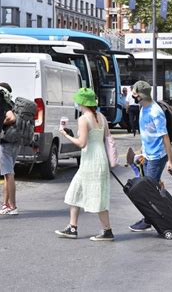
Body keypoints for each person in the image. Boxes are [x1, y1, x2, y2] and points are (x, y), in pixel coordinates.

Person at [55, 88, 114, 241]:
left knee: (92, 194)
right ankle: (73, 227)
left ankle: (106, 231)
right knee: (78, 191)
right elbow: (106, 137)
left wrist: (66, 134)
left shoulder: (83, 119)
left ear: (82, 102)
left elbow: (82, 143)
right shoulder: (101, 117)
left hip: (90, 160)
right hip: (100, 158)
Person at [128, 80, 172, 232]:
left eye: (135, 93)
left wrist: (170, 161)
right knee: (156, 186)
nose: (133, 96)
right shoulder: (143, 108)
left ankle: (148, 220)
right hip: (148, 155)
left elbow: (165, 137)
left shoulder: (156, 112)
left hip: (157, 156)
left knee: (147, 191)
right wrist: (141, 152)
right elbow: (147, 134)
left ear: (141, 95)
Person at [0, 82, 20, 216]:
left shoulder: (6, 104)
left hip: (5, 142)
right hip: (14, 141)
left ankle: (13, 206)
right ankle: (6, 204)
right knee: (7, 175)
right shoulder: (12, 103)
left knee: (9, 174)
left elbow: (11, 117)